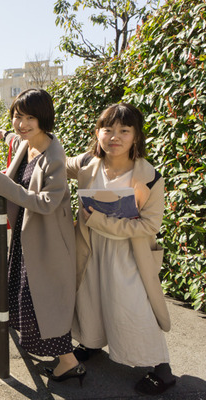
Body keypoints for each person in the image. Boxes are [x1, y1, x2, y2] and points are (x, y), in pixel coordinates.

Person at [66, 103, 175, 395]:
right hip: (91, 248)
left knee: (133, 307)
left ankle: (162, 369)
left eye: (124, 130)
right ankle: (91, 343)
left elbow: (149, 226)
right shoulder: (87, 163)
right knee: (92, 297)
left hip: (129, 255)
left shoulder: (150, 176)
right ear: (97, 133)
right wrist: (17, 138)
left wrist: (100, 220)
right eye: (108, 129)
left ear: (136, 136)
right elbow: (54, 161)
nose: (115, 136)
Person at [0, 89, 83, 384]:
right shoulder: (24, 142)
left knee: (42, 300)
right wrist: (3, 134)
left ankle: (69, 362)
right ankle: (57, 356)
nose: (22, 124)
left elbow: (47, 202)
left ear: (44, 118)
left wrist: (7, 187)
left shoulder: (54, 155)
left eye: (30, 117)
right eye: (18, 116)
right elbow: (14, 138)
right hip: (26, 236)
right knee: (26, 295)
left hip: (47, 239)